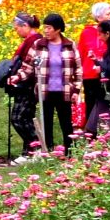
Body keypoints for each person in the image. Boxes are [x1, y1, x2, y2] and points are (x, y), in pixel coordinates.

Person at [2, 12, 44, 160]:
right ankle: (28, 152)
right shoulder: (31, 40)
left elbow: (29, 66)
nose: (17, 31)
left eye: (17, 28)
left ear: (25, 26)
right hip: (24, 84)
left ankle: (35, 148)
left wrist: (17, 77)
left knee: (19, 118)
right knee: (26, 117)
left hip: (28, 86)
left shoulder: (35, 41)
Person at [36, 12, 80, 155]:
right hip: (45, 90)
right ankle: (48, 153)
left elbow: (78, 69)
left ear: (58, 29)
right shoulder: (39, 45)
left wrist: (77, 90)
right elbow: (29, 65)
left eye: (49, 28)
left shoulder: (69, 45)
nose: (46, 31)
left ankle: (70, 153)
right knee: (46, 122)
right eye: (45, 27)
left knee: (66, 123)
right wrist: (17, 78)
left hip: (64, 91)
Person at [77, 1, 110, 138]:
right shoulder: (87, 32)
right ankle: (91, 136)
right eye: (108, 14)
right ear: (98, 17)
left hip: (107, 74)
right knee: (92, 106)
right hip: (90, 76)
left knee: (108, 105)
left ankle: (107, 135)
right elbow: (80, 53)